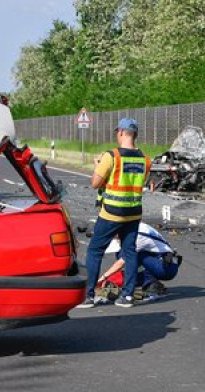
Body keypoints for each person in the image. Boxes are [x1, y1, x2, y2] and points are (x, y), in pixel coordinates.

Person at [78, 118, 150, 308]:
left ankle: (89, 295)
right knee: (130, 251)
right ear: (135, 134)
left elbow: (95, 183)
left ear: (120, 132)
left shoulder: (112, 156)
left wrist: (98, 165)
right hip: (133, 213)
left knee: (95, 251)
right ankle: (127, 296)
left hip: (111, 213)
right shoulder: (145, 159)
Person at [98, 223, 182, 301]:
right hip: (161, 262)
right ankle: (149, 283)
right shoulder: (133, 227)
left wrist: (104, 277)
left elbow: (122, 262)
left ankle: (150, 284)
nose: (113, 238)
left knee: (128, 256)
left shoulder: (137, 236)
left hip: (167, 268)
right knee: (125, 255)